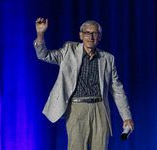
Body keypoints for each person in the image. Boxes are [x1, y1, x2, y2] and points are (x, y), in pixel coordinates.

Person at [34, 17, 134, 150]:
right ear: (81, 35)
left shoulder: (108, 59)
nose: (91, 37)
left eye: (94, 33)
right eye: (87, 33)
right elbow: (44, 55)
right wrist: (40, 34)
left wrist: (126, 117)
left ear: (100, 37)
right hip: (76, 108)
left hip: (100, 108)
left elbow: (117, 90)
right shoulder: (69, 50)